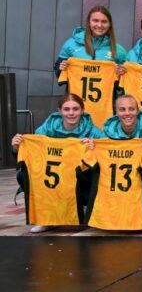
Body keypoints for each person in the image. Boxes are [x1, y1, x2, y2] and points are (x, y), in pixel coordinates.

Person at [11, 94, 104, 233]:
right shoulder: (47, 128)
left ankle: (87, 209)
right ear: (59, 111)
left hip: (79, 178)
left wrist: (95, 147)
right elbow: (32, 154)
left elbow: (106, 157)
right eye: (66, 109)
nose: (71, 113)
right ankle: (47, 218)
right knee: (23, 176)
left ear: (82, 110)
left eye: (75, 109)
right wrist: (16, 147)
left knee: (96, 175)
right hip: (54, 177)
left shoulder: (93, 130)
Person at [102, 95, 142, 229]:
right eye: (122, 109)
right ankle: (113, 210)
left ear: (138, 111)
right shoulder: (109, 131)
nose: (127, 113)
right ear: (116, 112)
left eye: (131, 109)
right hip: (120, 174)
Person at [56, 6, 127, 74]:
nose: (99, 25)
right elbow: (58, 71)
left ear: (109, 24)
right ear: (89, 22)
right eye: (95, 21)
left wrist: (122, 74)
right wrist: (61, 69)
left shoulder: (119, 50)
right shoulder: (71, 44)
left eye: (104, 21)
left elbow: (124, 82)